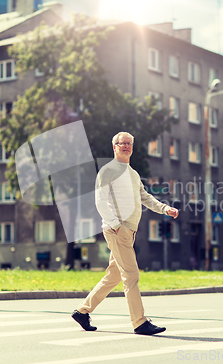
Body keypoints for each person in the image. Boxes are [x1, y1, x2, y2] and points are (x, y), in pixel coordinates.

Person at [72, 132, 179, 335]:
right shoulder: (108, 170)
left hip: (128, 232)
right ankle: (139, 322)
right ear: (114, 147)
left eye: (129, 144)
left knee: (113, 276)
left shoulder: (132, 172)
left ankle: (82, 312)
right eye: (122, 144)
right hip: (118, 230)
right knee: (131, 275)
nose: (126, 146)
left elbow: (145, 197)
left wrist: (165, 209)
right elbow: (100, 200)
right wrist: (115, 225)